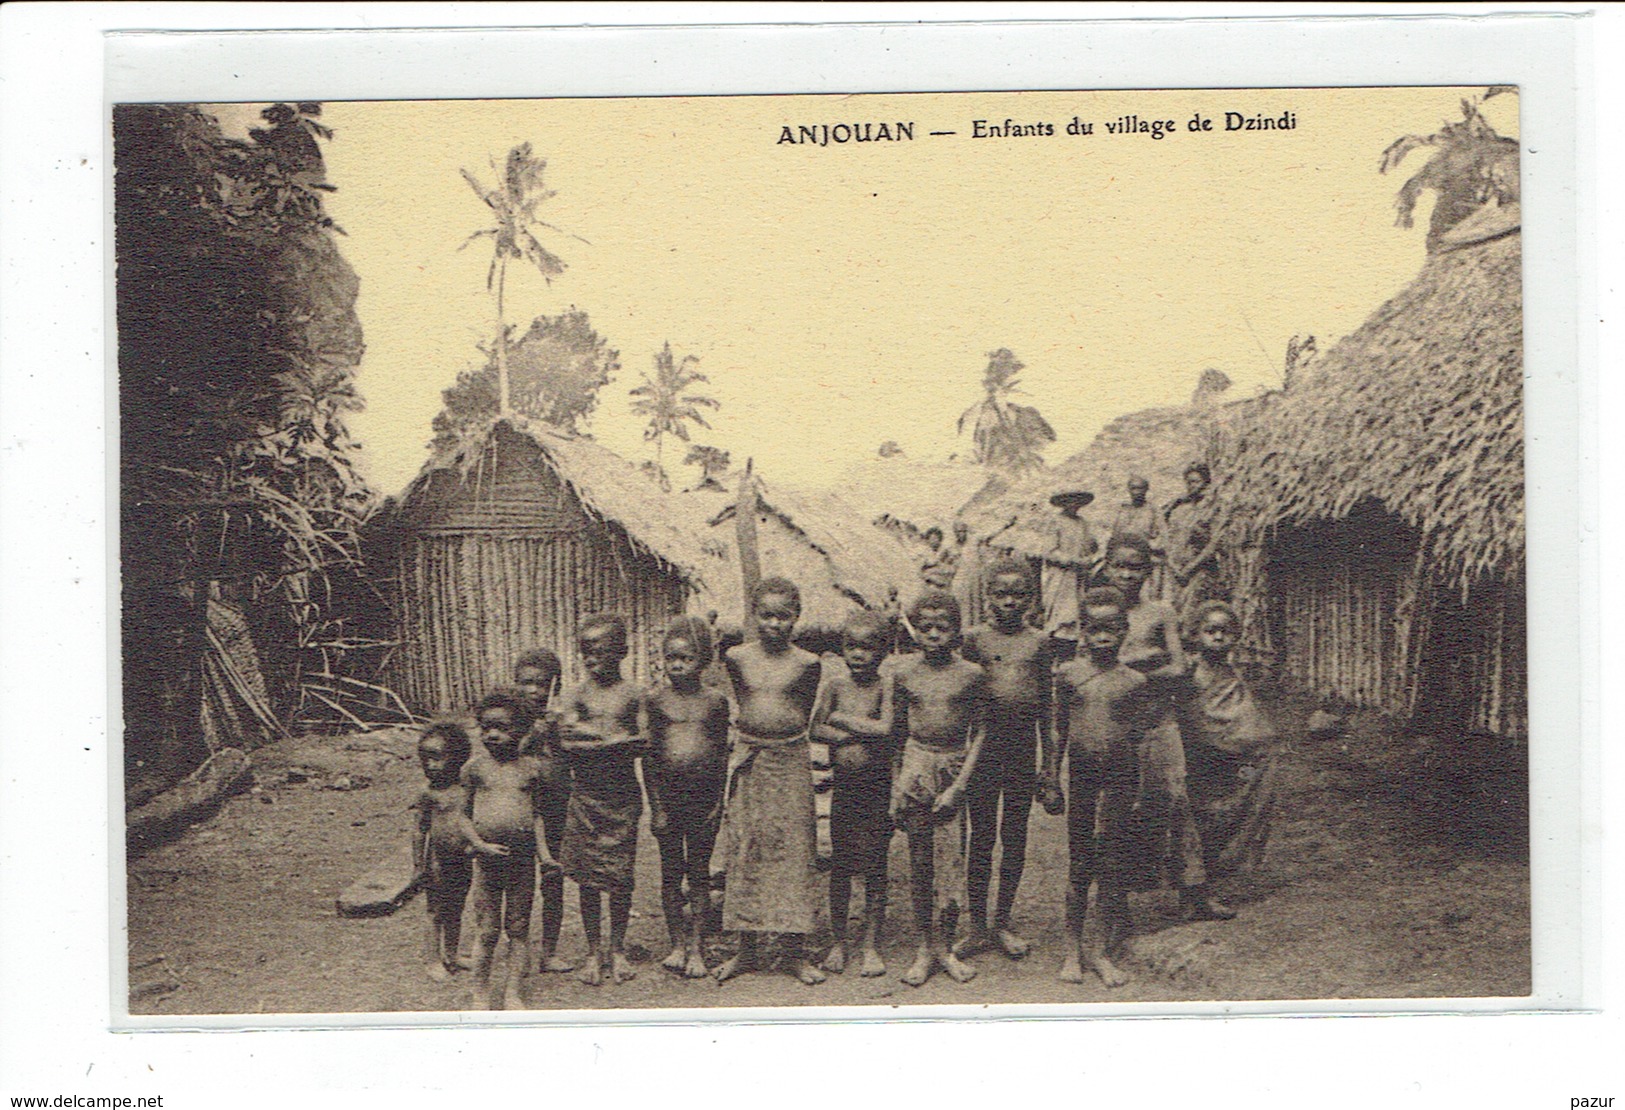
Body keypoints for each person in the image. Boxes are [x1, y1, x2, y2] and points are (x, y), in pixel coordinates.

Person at [1105, 536, 1231, 921]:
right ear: (1107, 567)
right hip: (1117, 727)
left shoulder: (1160, 612)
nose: (1127, 574)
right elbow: (1093, 671)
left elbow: (1178, 668)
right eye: (1120, 566)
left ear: (1149, 570)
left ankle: (1195, 893)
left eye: (1136, 567)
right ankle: (1117, 903)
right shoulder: (1099, 613)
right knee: (1118, 809)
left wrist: (1131, 670)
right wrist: (1146, 664)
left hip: (1161, 721)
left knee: (1178, 802)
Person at [714, 577, 827, 986]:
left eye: (783, 616)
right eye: (766, 615)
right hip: (751, 760)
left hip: (789, 760)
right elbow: (745, 703)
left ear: (796, 617)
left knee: (794, 850)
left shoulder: (807, 664)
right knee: (747, 848)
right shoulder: (737, 658)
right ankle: (746, 950)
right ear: (753, 616)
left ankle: (794, 952)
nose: (774, 624)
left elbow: (801, 710)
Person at [955, 558, 1060, 961]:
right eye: (1001, 594)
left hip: (1021, 749)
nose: (1009, 602)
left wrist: (1049, 770)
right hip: (983, 750)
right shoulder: (974, 640)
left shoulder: (1039, 642)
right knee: (981, 837)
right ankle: (977, 926)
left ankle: (1003, 922)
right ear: (987, 598)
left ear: (1031, 600)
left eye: (1018, 595)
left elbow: (1048, 708)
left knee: (1014, 837)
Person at [1052, 587, 1154, 988]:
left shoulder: (1135, 681)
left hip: (1121, 778)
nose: (1103, 637)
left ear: (1125, 631)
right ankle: (1072, 949)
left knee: (1111, 862)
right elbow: (1059, 729)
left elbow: (1138, 737)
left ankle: (1100, 950)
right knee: (1080, 863)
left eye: (1112, 629)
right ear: (1083, 631)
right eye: (1095, 629)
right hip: (1082, 777)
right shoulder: (1069, 674)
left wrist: (1139, 789)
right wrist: (1049, 777)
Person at [891, 591, 988, 987]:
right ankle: (923, 947)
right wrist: (899, 782)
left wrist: (961, 785)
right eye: (926, 627)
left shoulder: (971, 675)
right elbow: (896, 732)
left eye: (942, 627)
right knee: (919, 862)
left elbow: (981, 729)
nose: (934, 635)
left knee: (950, 863)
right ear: (915, 631)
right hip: (916, 766)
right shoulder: (904, 673)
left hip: (953, 766)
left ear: (957, 630)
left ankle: (946, 948)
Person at [557, 614, 645, 986]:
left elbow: (642, 740)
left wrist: (591, 736)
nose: (591, 658)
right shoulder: (575, 694)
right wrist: (612, 738)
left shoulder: (634, 694)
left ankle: (619, 949)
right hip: (586, 797)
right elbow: (564, 743)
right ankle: (594, 952)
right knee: (588, 880)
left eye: (600, 650)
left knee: (621, 878)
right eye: (585, 652)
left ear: (621, 651)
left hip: (622, 797)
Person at [643, 617, 731, 979]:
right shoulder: (656, 701)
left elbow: (722, 754)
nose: (677, 665)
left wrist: (718, 802)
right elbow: (649, 757)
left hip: (703, 799)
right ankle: (676, 943)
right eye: (671, 658)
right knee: (669, 873)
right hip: (669, 798)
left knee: (698, 873)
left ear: (704, 660)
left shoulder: (715, 702)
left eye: (687, 658)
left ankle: (696, 946)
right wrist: (657, 807)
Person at [811, 610, 896, 978]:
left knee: (876, 865)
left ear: (883, 651)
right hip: (845, 788)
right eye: (851, 647)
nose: (859, 655)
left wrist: (844, 721)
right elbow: (815, 728)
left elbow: (887, 729)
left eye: (868, 648)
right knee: (841, 866)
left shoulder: (885, 687)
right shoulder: (835, 686)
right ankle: (839, 941)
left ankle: (871, 944)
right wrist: (847, 736)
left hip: (877, 788)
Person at [1177, 600, 1279, 891]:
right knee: (1201, 811)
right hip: (1201, 752)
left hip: (1236, 754)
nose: (1218, 637)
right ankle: (1195, 877)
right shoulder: (1189, 672)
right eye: (1211, 631)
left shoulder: (1234, 675)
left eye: (1226, 632)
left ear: (1236, 636)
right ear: (1196, 635)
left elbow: (1248, 720)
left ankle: (1221, 867)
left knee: (1232, 807)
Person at [459, 688, 549, 1010]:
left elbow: (537, 816)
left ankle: (513, 993)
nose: (492, 735)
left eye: (502, 728)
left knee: (519, 928)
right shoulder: (474, 769)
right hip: (486, 864)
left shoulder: (532, 770)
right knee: (486, 930)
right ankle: (479, 991)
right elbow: (463, 816)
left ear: (523, 731)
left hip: (523, 863)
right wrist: (479, 845)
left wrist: (545, 855)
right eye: (485, 728)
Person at [513, 647, 575, 974]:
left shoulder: (562, 722)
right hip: (520, 813)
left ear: (555, 686)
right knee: (519, 884)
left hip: (555, 809)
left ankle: (549, 951)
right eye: (526, 683)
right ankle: (519, 949)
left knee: (553, 879)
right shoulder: (509, 723)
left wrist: (555, 731)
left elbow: (576, 757)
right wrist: (530, 736)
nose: (534, 691)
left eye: (541, 684)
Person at [411, 719, 474, 982]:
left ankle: (452, 953)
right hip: (437, 861)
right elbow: (419, 830)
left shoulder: (466, 789)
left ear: (458, 758)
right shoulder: (428, 793)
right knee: (435, 911)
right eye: (426, 759)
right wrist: (418, 865)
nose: (431, 765)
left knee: (456, 908)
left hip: (463, 859)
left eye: (438, 758)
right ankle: (432, 959)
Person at [1163, 463, 1223, 617]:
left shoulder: (1212, 510)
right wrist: (1173, 565)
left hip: (1199, 572)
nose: (1191, 486)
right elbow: (1168, 539)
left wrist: (1190, 568)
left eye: (1196, 482)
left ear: (1206, 483)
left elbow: (1212, 545)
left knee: (1194, 615)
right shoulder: (1179, 510)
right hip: (1176, 573)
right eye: (1188, 482)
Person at [1042, 489, 1097, 649]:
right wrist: (1071, 560)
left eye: (1077, 501)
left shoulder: (1083, 523)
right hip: (1060, 575)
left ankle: (1072, 645)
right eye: (1070, 501)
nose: (1074, 505)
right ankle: (1056, 644)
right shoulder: (1055, 522)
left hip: (1078, 576)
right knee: (1062, 611)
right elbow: (1050, 551)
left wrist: (1089, 557)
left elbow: (1089, 547)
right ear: (1064, 504)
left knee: (1077, 610)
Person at [1104, 476, 1165, 597]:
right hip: (1122, 555)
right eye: (1133, 488)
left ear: (1146, 490)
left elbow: (1162, 535)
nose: (1137, 492)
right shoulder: (1122, 509)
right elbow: (1112, 532)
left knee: (1151, 590)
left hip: (1145, 556)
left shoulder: (1153, 510)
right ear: (1129, 490)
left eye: (1140, 488)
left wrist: (1148, 547)